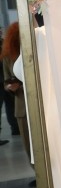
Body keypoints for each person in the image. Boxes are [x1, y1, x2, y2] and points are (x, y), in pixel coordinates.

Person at [2, 21, 29, 160]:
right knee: (28, 146)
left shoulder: (34, 50)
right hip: (21, 105)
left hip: (39, 103)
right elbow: (6, 81)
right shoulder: (7, 57)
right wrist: (9, 87)